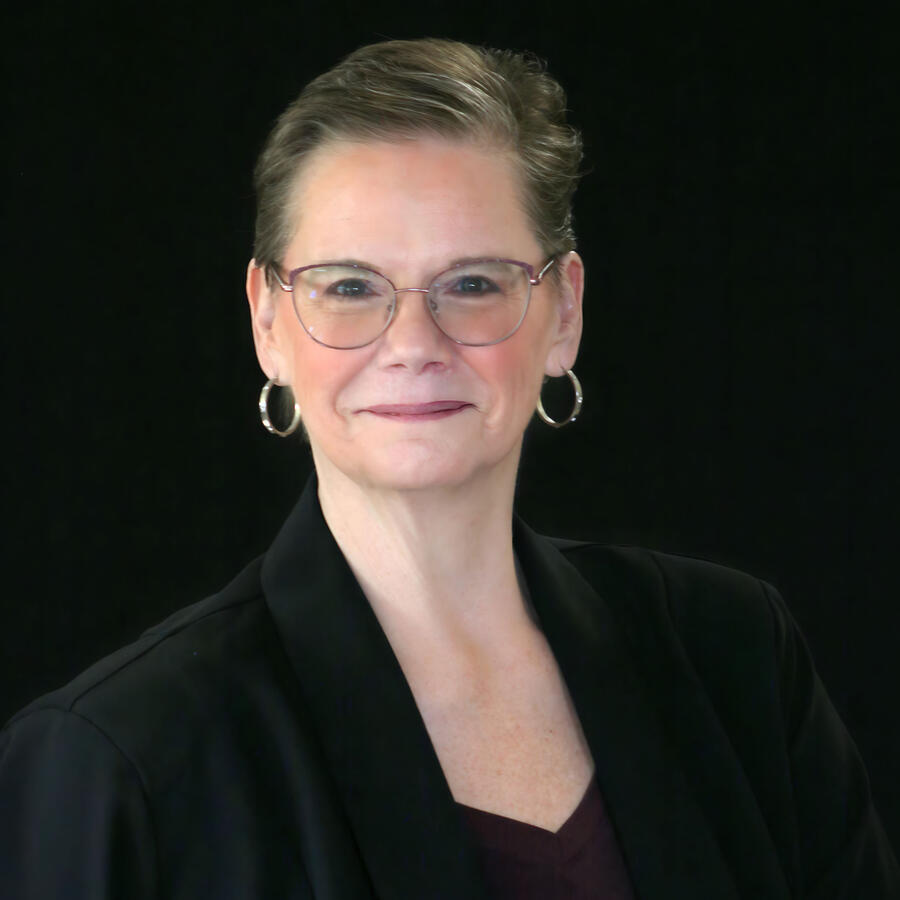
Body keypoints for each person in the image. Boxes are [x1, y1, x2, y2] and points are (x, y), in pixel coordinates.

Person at [1, 37, 897, 900]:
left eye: (473, 283)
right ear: (267, 323)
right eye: (349, 287)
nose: (413, 345)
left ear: (565, 312)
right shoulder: (121, 757)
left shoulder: (733, 656)